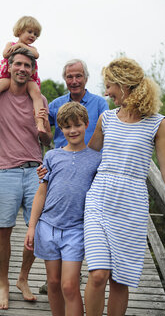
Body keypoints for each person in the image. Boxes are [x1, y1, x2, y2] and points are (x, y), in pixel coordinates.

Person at [84, 57, 165, 316]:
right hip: (100, 197)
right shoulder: (106, 118)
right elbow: (88, 156)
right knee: (98, 274)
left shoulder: (157, 123)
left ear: (124, 86)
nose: (106, 92)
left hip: (132, 204)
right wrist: (54, 168)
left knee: (120, 280)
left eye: (109, 86)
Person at [0, 47, 52, 310]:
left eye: (27, 66)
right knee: (3, 231)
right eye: (17, 64)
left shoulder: (38, 99)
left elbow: (47, 139)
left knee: (38, 231)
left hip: (35, 171)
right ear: (9, 66)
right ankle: (3, 285)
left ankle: (23, 278)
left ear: (32, 71)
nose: (22, 69)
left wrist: (43, 125)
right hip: (6, 170)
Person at [25, 102, 102, 316]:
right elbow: (41, 193)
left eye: (77, 125)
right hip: (48, 226)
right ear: (60, 129)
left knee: (69, 285)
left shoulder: (97, 159)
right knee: (53, 281)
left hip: (76, 229)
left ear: (86, 124)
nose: (73, 130)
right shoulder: (51, 157)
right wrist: (32, 226)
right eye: (67, 127)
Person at [0, 15, 46, 133]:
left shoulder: (32, 48)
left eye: (36, 34)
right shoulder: (10, 44)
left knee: (37, 93)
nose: (33, 36)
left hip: (29, 80)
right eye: (30, 32)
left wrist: (22, 46)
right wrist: (16, 46)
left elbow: (36, 55)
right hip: (9, 77)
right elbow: (5, 54)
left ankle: (40, 122)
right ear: (20, 31)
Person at [49, 59, 109, 148]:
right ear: (65, 79)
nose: (74, 81)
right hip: (62, 160)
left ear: (86, 78)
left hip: (93, 160)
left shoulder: (100, 104)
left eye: (78, 76)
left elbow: (108, 133)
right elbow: (41, 129)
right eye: (69, 77)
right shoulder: (55, 105)